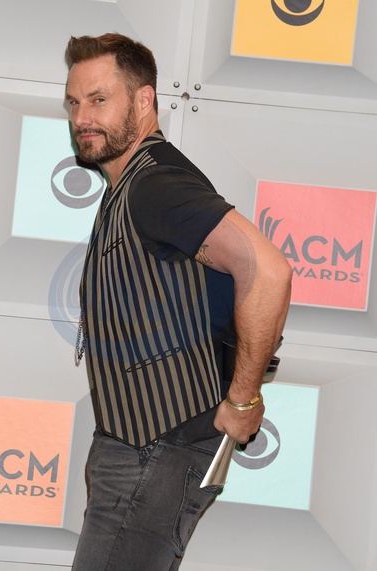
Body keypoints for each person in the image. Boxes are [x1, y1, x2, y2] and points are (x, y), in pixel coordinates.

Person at [65, 33, 292, 571]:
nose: (81, 118)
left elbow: (269, 271)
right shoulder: (128, 186)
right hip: (140, 449)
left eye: (99, 99)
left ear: (144, 100)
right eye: (73, 102)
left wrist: (243, 400)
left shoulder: (155, 185)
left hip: (156, 450)